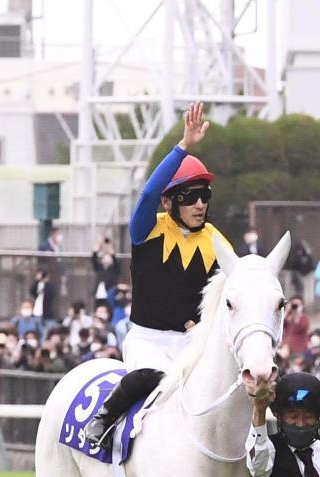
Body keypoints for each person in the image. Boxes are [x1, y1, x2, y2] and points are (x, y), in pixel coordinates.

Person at [83, 102, 230, 451]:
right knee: (155, 378)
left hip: (192, 342)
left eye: (204, 195)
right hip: (148, 340)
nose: (199, 204)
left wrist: (206, 327)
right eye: (190, 196)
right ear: (169, 202)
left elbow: (232, 296)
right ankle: (103, 419)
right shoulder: (147, 229)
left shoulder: (217, 240)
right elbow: (148, 193)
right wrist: (183, 147)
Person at [91, 236, 119, 307]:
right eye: (104, 257)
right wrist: (98, 248)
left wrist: (108, 247)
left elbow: (114, 259)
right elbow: (94, 259)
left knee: (109, 309)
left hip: (109, 294)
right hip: (99, 295)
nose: (106, 258)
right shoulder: (99, 268)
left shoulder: (114, 269)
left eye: (108, 257)